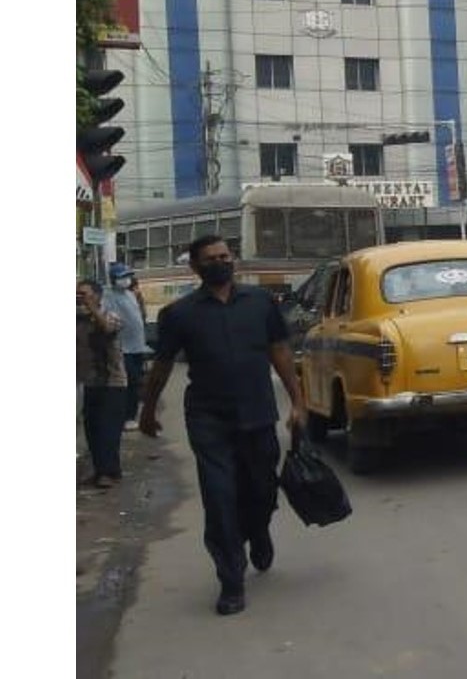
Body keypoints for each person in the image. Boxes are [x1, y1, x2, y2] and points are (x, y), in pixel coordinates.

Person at [139, 235, 307, 616]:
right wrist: (148, 410)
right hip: (208, 417)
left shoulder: (260, 302)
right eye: (211, 258)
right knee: (219, 497)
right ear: (196, 268)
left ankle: (259, 530)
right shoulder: (179, 314)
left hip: (258, 413)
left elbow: (279, 350)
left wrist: (298, 402)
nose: (220, 262)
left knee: (261, 489)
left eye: (225, 256)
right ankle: (231, 580)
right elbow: (162, 365)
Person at [77, 278, 127, 489]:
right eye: (77, 294)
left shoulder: (110, 315)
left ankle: (108, 472)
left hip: (112, 382)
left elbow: (107, 329)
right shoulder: (76, 319)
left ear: (97, 296)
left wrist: (91, 308)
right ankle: (102, 470)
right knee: (92, 429)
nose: (79, 297)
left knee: (108, 430)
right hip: (89, 382)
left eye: (84, 293)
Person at [104, 264, 151, 431]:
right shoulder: (108, 296)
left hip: (137, 346)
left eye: (128, 276)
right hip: (122, 348)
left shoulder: (130, 294)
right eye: (123, 277)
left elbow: (138, 316)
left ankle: (131, 415)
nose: (127, 280)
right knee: (127, 382)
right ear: (115, 280)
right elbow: (109, 319)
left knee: (135, 381)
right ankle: (125, 417)